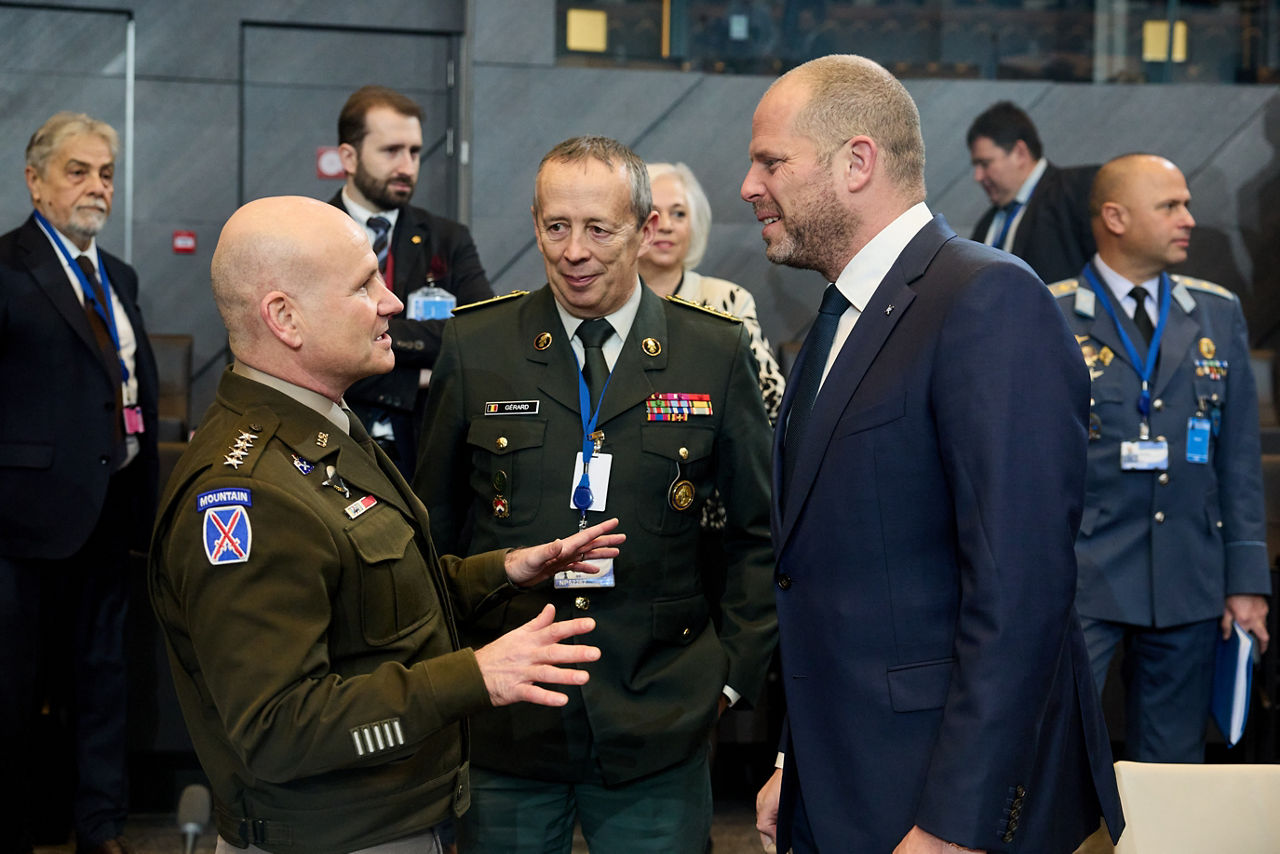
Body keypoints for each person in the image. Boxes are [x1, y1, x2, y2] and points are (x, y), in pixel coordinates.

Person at [148, 195, 625, 854]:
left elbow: (377, 603)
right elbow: (279, 729)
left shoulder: (318, 428)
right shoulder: (250, 492)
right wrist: (474, 676)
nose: (393, 302)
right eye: (364, 284)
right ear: (284, 318)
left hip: (388, 820)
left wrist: (505, 571)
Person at [743, 56, 1123, 853]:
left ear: (857, 162)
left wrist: (958, 823)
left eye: (772, 161)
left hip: (936, 807)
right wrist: (795, 757)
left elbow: (1020, 593)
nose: (749, 185)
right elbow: (827, 578)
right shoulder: (839, 316)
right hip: (838, 784)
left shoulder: (988, 299)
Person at [414, 136, 776, 854]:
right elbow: (433, 533)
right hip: (509, 722)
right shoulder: (476, 346)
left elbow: (759, 534)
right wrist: (451, 675)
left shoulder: (714, 351)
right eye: (556, 226)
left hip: (658, 718)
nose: (573, 251)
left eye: (598, 229)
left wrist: (729, 679)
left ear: (644, 231)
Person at [1049, 153, 1271, 763]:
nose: (1189, 219)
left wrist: (1247, 581)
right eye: (1170, 205)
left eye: (1187, 203)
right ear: (1115, 217)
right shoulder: (1051, 311)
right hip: (1081, 574)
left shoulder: (1216, 311)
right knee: (1056, 755)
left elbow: (1239, 460)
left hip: (1187, 575)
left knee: (1171, 769)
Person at [0, 112, 159, 854]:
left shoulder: (118, 275)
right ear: (35, 182)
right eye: (78, 171)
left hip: (109, 514)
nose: (96, 186)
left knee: (103, 683)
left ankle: (102, 829)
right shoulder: (8, 266)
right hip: (23, 524)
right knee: (14, 688)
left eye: (106, 173)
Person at [330, 85, 493, 476]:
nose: (407, 166)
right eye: (391, 151)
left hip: (427, 454)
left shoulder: (448, 239)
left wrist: (369, 340)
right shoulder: (310, 234)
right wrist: (417, 377)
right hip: (333, 446)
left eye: (415, 152)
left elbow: (480, 335)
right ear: (349, 157)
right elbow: (311, 350)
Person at [639, 161, 785, 424]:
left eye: (679, 214)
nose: (667, 225)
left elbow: (771, 401)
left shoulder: (728, 300)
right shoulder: (609, 301)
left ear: (694, 225)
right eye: (653, 214)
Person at [967, 100, 1098, 285]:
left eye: (985, 163)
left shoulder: (1075, 192)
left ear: (1020, 153)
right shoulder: (986, 224)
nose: (978, 176)